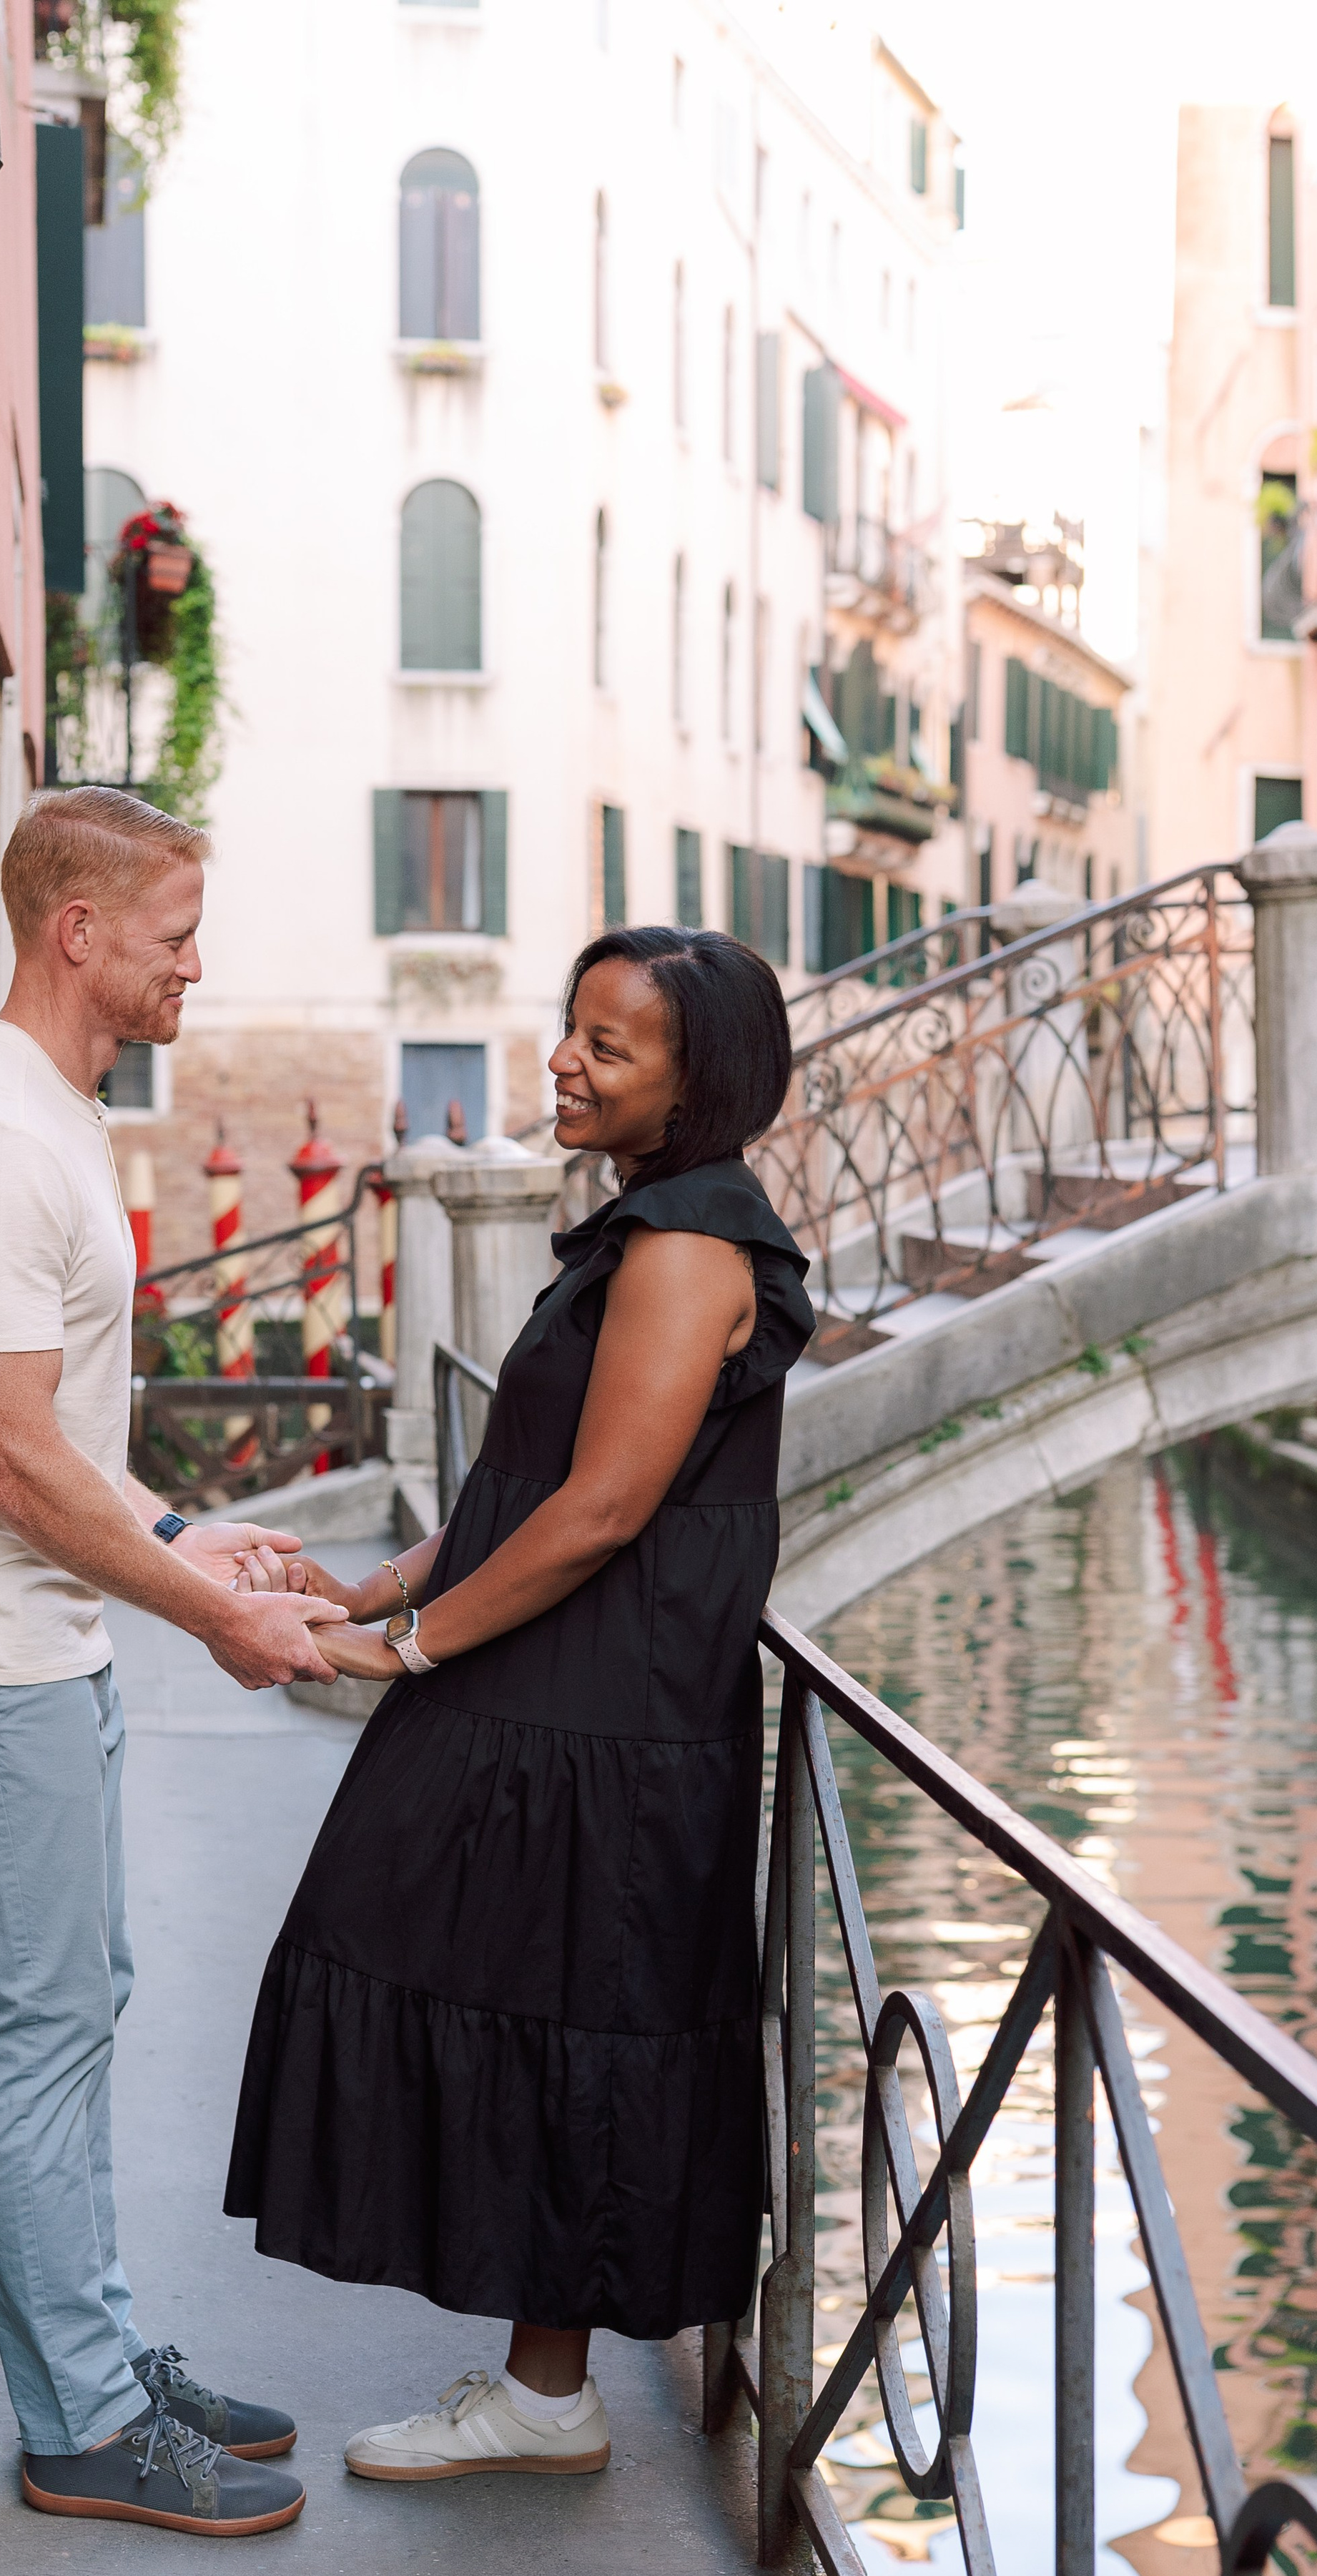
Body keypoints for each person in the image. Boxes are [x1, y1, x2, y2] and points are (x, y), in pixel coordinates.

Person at [226, 925, 811, 2479]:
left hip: (607, 1724)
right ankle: (539, 2387)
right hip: (559, 1700)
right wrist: (371, 1587)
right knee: (497, 1986)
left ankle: (546, 2393)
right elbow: (520, 1488)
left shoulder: (688, 1253)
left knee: (558, 2014)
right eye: (572, 1029)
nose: (562, 1059)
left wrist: (407, 1651)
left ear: (696, 1090)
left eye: (607, 1047)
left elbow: (604, 1509)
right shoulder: (641, 1232)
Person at [0, 787, 347, 2537]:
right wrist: (208, 1614)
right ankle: (77, 2425)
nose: (195, 965)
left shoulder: (45, 1118)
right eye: (174, 932)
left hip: (32, 1646)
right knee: (39, 2036)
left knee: (79, 2010)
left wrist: (180, 1533)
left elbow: (55, 1435)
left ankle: (104, 2358)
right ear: (80, 933)